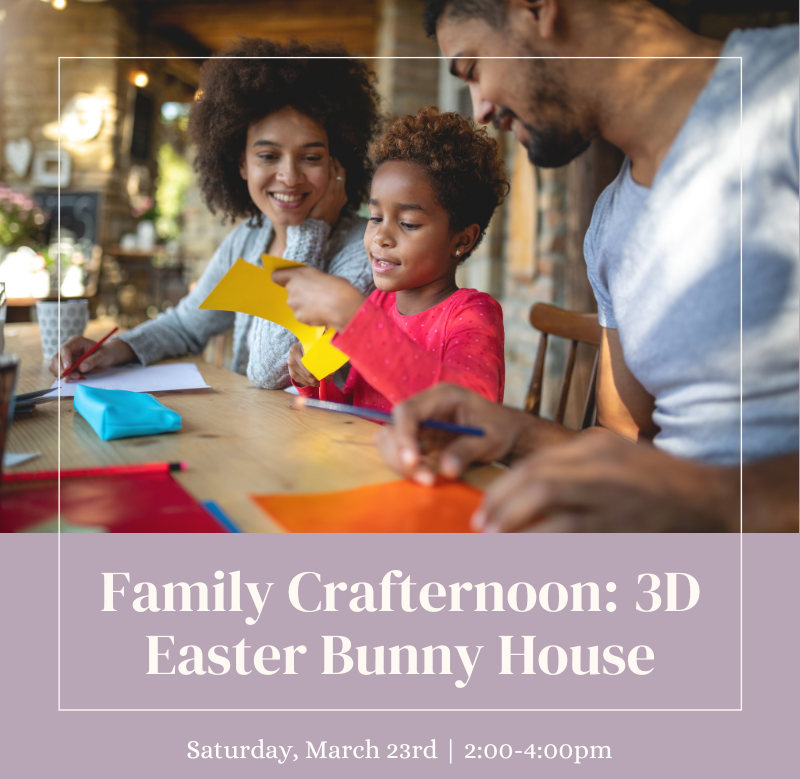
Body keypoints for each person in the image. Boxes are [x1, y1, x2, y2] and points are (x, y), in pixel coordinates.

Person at [377, 0, 799, 532]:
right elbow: (619, 438)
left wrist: (713, 497)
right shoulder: (611, 223)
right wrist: (517, 433)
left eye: (473, 67)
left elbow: (689, 491)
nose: (479, 108)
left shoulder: (783, 94)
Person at [50, 39, 381, 390]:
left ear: (338, 165)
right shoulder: (249, 238)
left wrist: (311, 232)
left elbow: (269, 369)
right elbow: (186, 325)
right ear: (241, 164)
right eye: (268, 156)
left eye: (311, 157)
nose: (289, 176)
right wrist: (113, 349)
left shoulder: (364, 249)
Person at [272, 107, 509, 410]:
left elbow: (468, 413)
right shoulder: (378, 306)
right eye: (374, 217)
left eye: (408, 223)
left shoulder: (470, 315)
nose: (381, 237)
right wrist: (315, 381)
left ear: (462, 239)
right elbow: (358, 411)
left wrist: (358, 323)